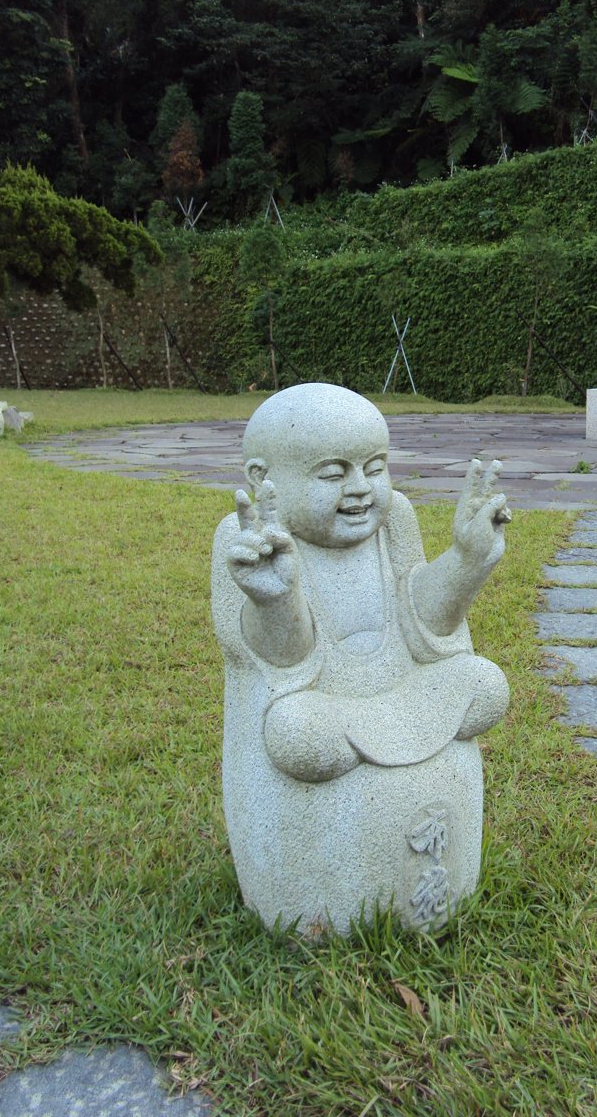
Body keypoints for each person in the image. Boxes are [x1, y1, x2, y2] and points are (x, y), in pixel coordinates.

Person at [211, 383, 510, 932]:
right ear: (261, 478)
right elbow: (274, 664)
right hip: (323, 713)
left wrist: (466, 563)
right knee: (297, 732)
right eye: (332, 473)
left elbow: (423, 623)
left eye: (375, 467)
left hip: (399, 692)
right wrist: (274, 598)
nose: (360, 489)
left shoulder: (395, 517)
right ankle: (316, 898)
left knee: (484, 683)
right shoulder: (249, 539)